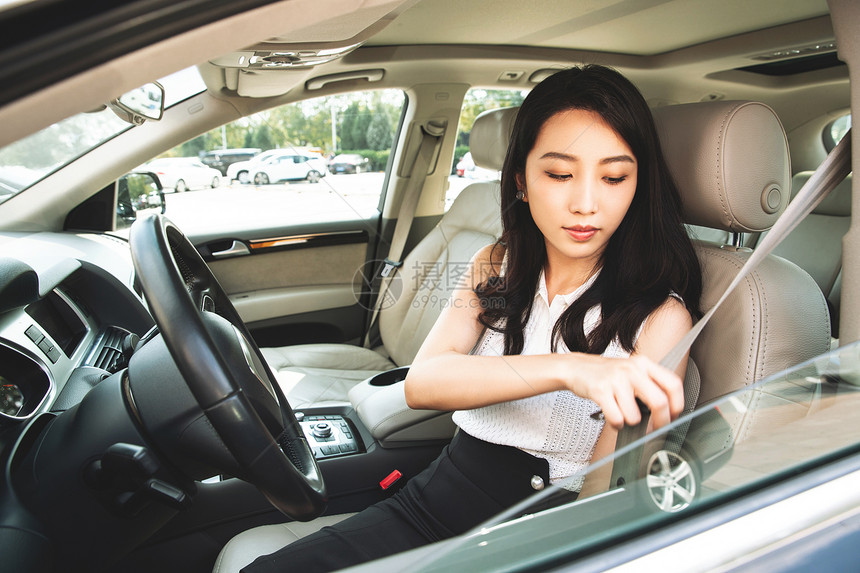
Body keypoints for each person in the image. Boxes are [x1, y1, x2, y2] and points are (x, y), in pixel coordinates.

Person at [242, 64, 703, 573]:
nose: (586, 204)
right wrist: (570, 368)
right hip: (433, 496)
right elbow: (425, 382)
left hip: (528, 531)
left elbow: (604, 497)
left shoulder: (661, 317)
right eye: (559, 174)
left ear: (638, 185)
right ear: (521, 182)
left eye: (614, 177)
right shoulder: (498, 265)